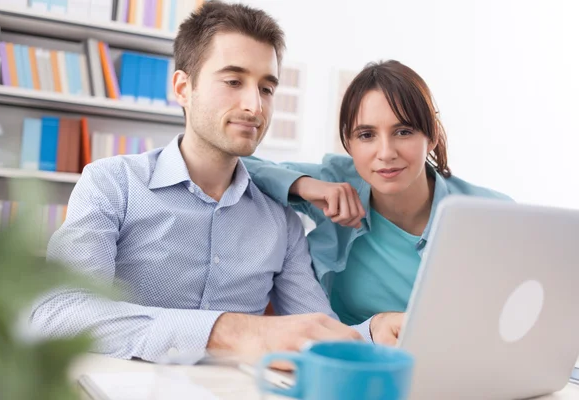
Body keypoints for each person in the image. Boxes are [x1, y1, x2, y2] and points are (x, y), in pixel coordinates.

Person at [30, 1, 372, 363]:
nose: (254, 106)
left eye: (267, 88)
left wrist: (374, 330)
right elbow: (59, 313)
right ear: (183, 87)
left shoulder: (281, 222)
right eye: (233, 81)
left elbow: (319, 333)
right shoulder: (112, 184)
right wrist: (224, 331)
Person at [243, 60, 512, 345]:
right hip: (357, 368)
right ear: (349, 142)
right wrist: (304, 185)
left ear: (431, 135)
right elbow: (237, 163)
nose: (385, 153)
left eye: (403, 131)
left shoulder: (492, 214)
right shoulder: (336, 182)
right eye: (366, 135)